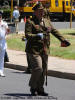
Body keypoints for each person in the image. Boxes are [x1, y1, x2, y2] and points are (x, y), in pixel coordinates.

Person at [25, 3, 70, 96]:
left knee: (44, 70)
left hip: (45, 48)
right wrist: (37, 36)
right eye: (40, 11)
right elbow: (27, 35)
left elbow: (54, 31)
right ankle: (33, 86)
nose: (42, 12)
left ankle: (40, 89)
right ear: (35, 12)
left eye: (43, 10)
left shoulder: (47, 21)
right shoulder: (30, 22)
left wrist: (63, 39)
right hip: (33, 49)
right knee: (38, 68)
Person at [0, 11, 10, 77]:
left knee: (2, 58)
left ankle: (1, 71)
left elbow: (7, 31)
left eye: (0, 16)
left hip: (2, 42)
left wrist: (7, 31)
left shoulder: (4, 23)